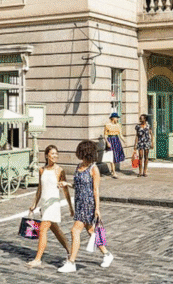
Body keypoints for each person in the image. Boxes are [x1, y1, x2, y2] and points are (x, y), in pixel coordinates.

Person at [60, 140, 114, 273]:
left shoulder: (93, 169)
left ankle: (71, 262)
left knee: (75, 231)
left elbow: (95, 190)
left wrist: (97, 209)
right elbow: (78, 186)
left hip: (88, 204)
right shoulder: (78, 167)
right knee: (91, 231)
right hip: (79, 202)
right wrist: (67, 185)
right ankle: (107, 254)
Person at [26, 145, 72, 268]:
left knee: (43, 229)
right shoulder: (42, 170)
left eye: (56, 153)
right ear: (46, 155)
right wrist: (34, 204)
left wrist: (70, 207)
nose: (55, 156)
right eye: (52, 154)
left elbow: (66, 190)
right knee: (56, 230)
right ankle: (69, 250)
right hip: (45, 204)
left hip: (54, 204)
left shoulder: (59, 170)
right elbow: (40, 189)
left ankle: (38, 259)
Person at [102, 113, 127, 177]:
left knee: (116, 156)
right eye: (116, 117)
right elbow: (105, 135)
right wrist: (107, 142)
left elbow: (120, 135)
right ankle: (113, 172)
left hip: (116, 140)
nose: (117, 119)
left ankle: (113, 170)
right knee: (111, 156)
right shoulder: (107, 125)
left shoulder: (118, 125)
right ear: (112, 118)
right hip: (110, 140)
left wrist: (124, 141)